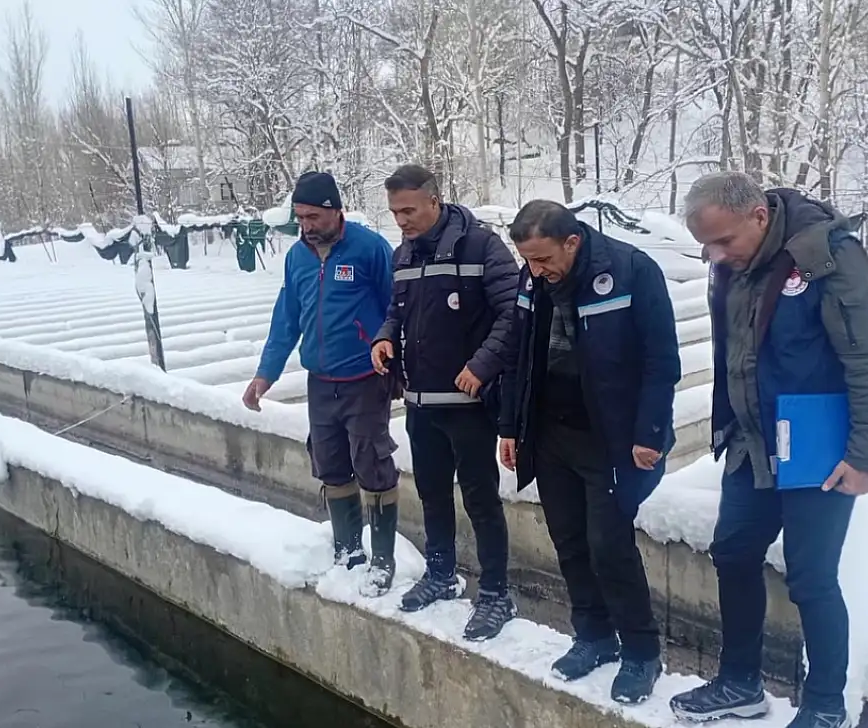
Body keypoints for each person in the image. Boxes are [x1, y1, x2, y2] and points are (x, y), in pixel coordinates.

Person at [668, 172, 868, 728]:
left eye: (724, 240)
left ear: (759, 216)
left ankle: (825, 706)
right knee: (733, 554)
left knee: (811, 578)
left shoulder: (825, 255)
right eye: (707, 246)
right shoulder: (733, 263)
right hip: (752, 442)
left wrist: (867, 456)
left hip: (816, 447)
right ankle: (740, 684)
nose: (716, 255)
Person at [497, 200, 681, 704]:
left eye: (543, 259)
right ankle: (594, 635)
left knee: (609, 545)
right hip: (551, 433)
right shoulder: (532, 278)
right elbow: (517, 355)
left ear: (572, 242)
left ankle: (641, 651)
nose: (536, 270)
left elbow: (661, 359)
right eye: (528, 261)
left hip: (609, 437)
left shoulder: (630, 270)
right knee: (569, 541)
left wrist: (649, 432)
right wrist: (510, 426)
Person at [370, 165, 519, 641]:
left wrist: (482, 365)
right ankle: (441, 574)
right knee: (432, 492)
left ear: (434, 201)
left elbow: (514, 314)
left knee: (480, 499)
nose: (401, 221)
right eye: (394, 212)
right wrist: (384, 337)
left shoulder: (481, 247)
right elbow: (397, 310)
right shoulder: (404, 254)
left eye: (408, 211)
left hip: (468, 404)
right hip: (421, 401)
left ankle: (495, 593)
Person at [243, 171, 401, 597]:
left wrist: (397, 362)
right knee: (330, 463)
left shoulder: (370, 249)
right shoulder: (297, 257)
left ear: (335, 211)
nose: (306, 226)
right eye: (300, 218)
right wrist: (266, 373)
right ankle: (348, 550)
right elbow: (287, 318)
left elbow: (396, 308)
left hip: (365, 378)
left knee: (372, 462)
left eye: (313, 217)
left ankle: (382, 560)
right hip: (321, 381)